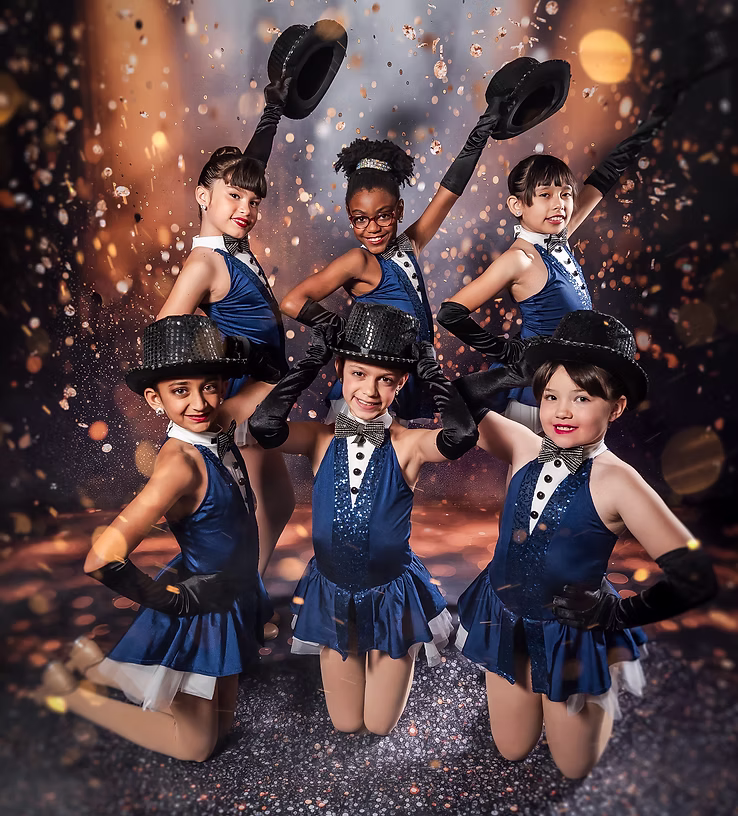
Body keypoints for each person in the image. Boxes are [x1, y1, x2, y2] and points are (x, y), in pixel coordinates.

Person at [454, 310, 718, 778]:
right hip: (506, 616)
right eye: (551, 396)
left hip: (570, 633)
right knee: (511, 748)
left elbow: (696, 577)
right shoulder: (524, 447)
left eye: (582, 398)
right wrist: (516, 372)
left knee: (574, 766)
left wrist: (619, 614)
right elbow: (462, 397)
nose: (562, 411)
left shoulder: (619, 481)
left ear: (615, 407)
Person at [33, 315, 276, 761]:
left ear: (223, 385)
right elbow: (101, 558)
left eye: (209, 386)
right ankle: (72, 695)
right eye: (180, 390)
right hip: (200, 607)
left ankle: (99, 666)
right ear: (154, 398)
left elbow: (270, 382)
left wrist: (245, 353)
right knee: (197, 746)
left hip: (232, 596)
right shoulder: (179, 465)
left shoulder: (218, 422)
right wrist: (176, 603)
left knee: (221, 727)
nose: (199, 402)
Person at [248, 303, 478, 735]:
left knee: (378, 725)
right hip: (332, 591)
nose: (369, 390)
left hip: (391, 596)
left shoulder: (407, 444)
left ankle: (392, 653)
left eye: (385, 379)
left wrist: (430, 369)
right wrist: (313, 359)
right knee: (346, 722)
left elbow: (461, 435)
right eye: (358, 374)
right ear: (340, 371)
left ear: (401, 382)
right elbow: (264, 426)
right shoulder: (320, 438)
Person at [438, 97, 677, 432]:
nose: (559, 204)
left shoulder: (559, 238)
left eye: (565, 194)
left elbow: (602, 178)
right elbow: (450, 313)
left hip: (572, 385)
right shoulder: (519, 259)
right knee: (536, 463)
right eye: (546, 195)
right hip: (535, 396)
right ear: (517, 206)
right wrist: (508, 352)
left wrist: (649, 125)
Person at [278, 103, 505, 420]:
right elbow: (291, 302)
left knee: (405, 452)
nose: (372, 228)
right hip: (371, 386)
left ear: (399, 210)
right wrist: (344, 331)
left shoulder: (410, 244)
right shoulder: (358, 261)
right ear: (350, 216)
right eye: (360, 219)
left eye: (383, 216)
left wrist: (480, 134)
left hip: (405, 379)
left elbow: (448, 194)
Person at [156, 77, 293, 575]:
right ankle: (231, 596)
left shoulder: (230, 244)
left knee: (277, 503)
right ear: (202, 196)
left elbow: (250, 167)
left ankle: (243, 590)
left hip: (262, 385)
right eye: (234, 197)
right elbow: (165, 333)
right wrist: (232, 350)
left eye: (254, 202)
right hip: (242, 394)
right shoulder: (204, 263)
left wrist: (272, 112)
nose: (246, 210)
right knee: (249, 509)